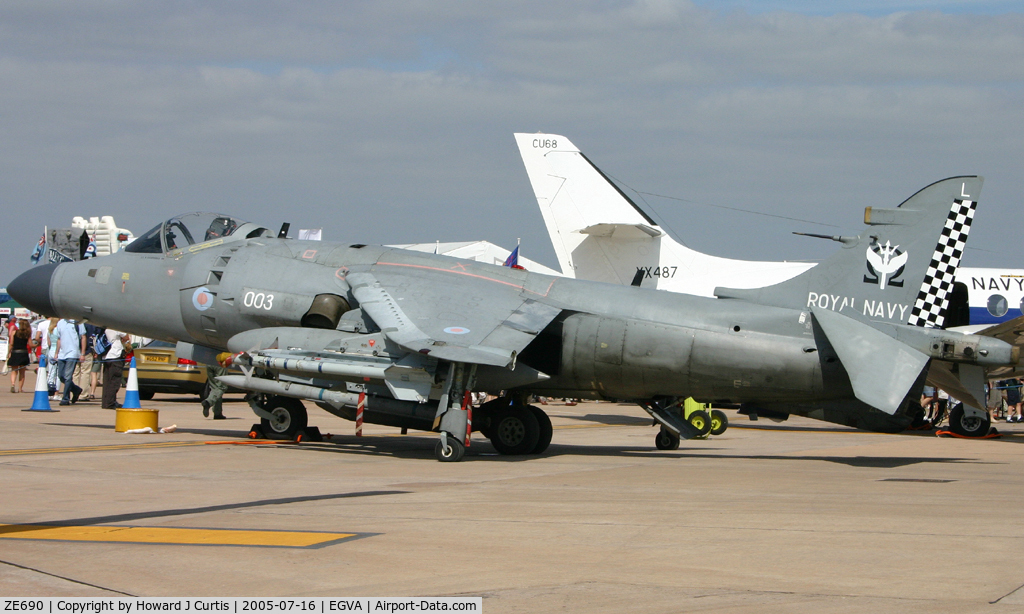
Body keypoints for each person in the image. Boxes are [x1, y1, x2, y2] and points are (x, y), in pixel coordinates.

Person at [53, 318, 86, 405]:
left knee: (68, 376)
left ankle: (65, 398)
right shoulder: (60, 322)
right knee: (61, 376)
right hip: (62, 353)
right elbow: (59, 339)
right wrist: (56, 352)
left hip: (73, 352)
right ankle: (76, 389)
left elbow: (83, 337)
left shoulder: (78, 322)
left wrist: (82, 353)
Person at [101, 328, 131, 409]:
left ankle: (106, 402)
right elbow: (126, 337)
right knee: (114, 381)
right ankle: (110, 402)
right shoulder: (115, 326)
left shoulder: (105, 328)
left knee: (107, 381)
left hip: (106, 356)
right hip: (115, 355)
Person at [6, 320, 32, 393]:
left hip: (15, 352)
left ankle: (13, 384)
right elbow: (30, 344)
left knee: (14, 371)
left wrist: (8, 352)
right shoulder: (27, 334)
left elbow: (11, 343)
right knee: (22, 372)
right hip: (23, 353)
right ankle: (20, 388)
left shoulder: (14, 332)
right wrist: (37, 344)